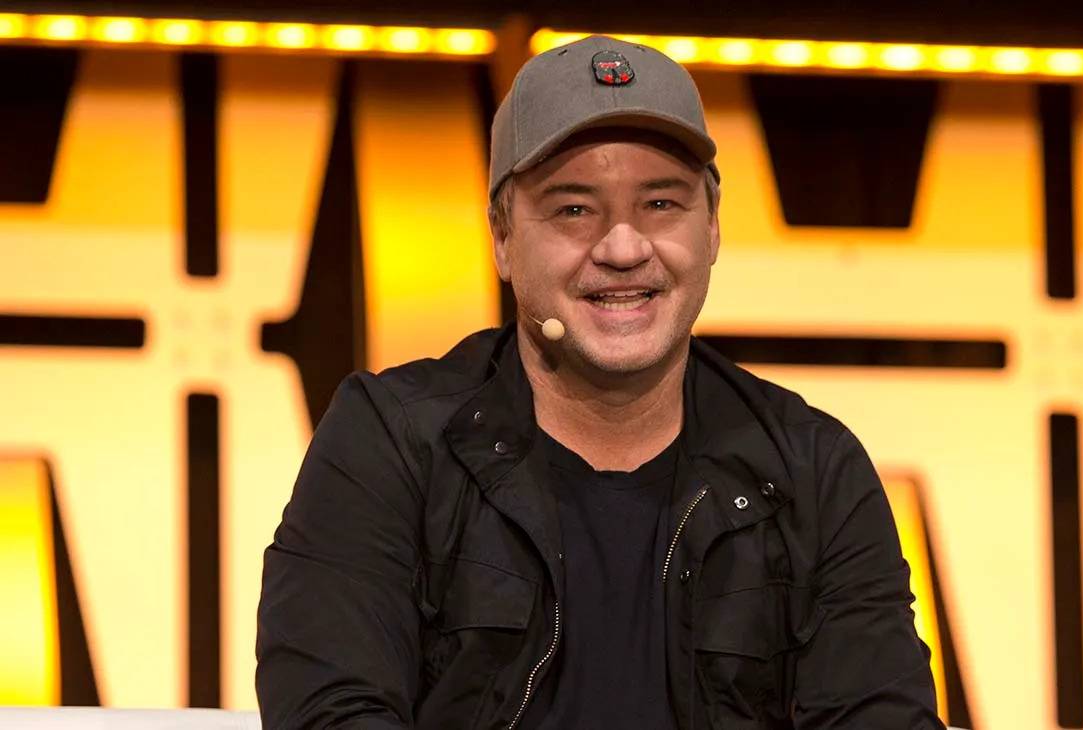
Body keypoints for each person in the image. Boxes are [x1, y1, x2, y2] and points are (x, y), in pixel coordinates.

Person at [255, 34, 942, 729]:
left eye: (661, 204)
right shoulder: (391, 442)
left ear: (712, 228)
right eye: (574, 209)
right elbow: (331, 712)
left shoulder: (813, 471)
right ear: (502, 237)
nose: (623, 248)